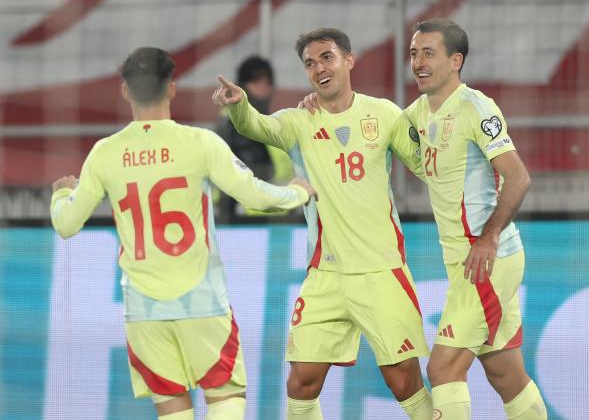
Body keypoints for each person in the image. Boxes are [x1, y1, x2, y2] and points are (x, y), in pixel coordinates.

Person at [50, 47, 316, 420]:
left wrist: (62, 193)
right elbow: (255, 193)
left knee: (172, 407)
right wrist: (299, 191)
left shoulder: (104, 153)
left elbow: (66, 224)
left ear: (125, 90)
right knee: (225, 396)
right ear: (172, 88)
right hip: (202, 302)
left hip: (143, 310)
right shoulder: (199, 143)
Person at [213, 28, 432, 420]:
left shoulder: (383, 114)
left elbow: (423, 163)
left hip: (381, 268)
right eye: (310, 64)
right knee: (302, 381)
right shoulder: (299, 120)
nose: (319, 69)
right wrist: (239, 105)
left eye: (327, 58)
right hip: (325, 273)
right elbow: (257, 127)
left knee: (403, 379)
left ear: (349, 60)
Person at [402, 19, 547, 419]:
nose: (418, 62)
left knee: (443, 367)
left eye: (428, 53)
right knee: (505, 374)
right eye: (414, 53)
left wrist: (488, 237)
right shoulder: (415, 114)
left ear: (456, 60)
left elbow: (518, 176)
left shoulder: (475, 107)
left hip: (484, 261)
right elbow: (373, 131)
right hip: (463, 262)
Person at [215, 55, 294, 217]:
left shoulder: (274, 122)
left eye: (268, 82)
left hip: (280, 217)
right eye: (256, 81)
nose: (264, 87)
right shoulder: (230, 127)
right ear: (242, 85)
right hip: (241, 221)